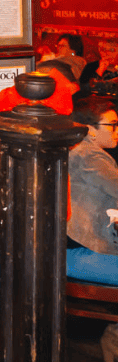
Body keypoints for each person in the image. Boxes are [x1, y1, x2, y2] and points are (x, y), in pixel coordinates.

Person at [66, 95, 118, 286]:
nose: (116, 131)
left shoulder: (81, 150)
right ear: (90, 130)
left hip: (80, 250)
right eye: (112, 125)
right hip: (84, 254)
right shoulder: (90, 156)